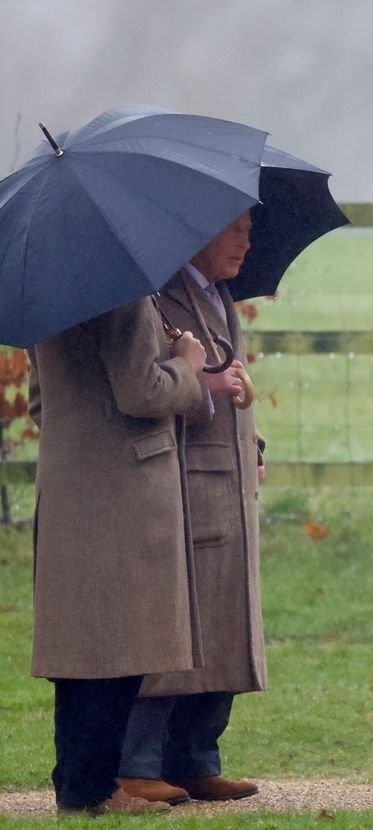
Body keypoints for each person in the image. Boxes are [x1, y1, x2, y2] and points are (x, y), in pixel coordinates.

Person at [28, 300, 208, 815]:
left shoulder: (54, 296)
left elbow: (41, 405)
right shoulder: (123, 297)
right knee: (120, 643)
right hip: (122, 487)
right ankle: (95, 789)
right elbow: (142, 391)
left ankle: (77, 783)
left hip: (65, 485)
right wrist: (187, 365)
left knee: (80, 647)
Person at [115, 210, 267, 805]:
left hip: (227, 483)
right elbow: (159, 385)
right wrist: (208, 386)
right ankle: (142, 763)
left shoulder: (220, 296)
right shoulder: (160, 297)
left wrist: (253, 443)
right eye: (232, 227)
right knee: (175, 637)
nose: (245, 239)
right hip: (182, 485)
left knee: (225, 628)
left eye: (249, 227)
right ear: (195, 233)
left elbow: (232, 381)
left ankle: (196, 758)